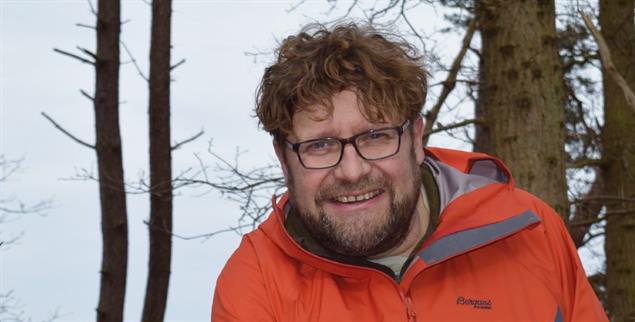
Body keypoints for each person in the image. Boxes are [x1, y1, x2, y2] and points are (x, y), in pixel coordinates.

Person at [211, 23, 608, 322]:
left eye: (376, 137)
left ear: (416, 139)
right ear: (284, 160)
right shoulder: (257, 279)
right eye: (319, 146)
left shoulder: (529, 232)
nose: (352, 171)